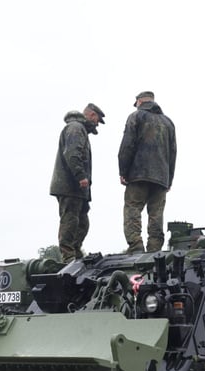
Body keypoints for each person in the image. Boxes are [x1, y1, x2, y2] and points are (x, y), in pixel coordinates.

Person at [118, 91, 177, 253]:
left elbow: (127, 145)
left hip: (138, 174)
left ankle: (136, 246)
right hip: (161, 178)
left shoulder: (136, 117)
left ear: (139, 101)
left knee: (133, 209)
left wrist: (123, 170)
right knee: (156, 214)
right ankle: (154, 250)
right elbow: (173, 153)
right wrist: (169, 179)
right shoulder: (168, 123)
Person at [49, 102, 105, 263]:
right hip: (69, 186)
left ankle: (75, 251)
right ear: (92, 115)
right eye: (97, 120)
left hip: (76, 189)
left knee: (81, 221)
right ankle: (68, 256)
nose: (97, 124)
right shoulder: (75, 128)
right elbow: (72, 153)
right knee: (70, 220)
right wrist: (80, 176)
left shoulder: (79, 129)